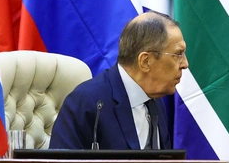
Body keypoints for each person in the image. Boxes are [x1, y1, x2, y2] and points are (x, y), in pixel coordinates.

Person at [50, 11, 188, 150]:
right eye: (178, 54)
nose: (185, 64)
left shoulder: (155, 100)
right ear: (146, 61)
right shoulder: (87, 103)